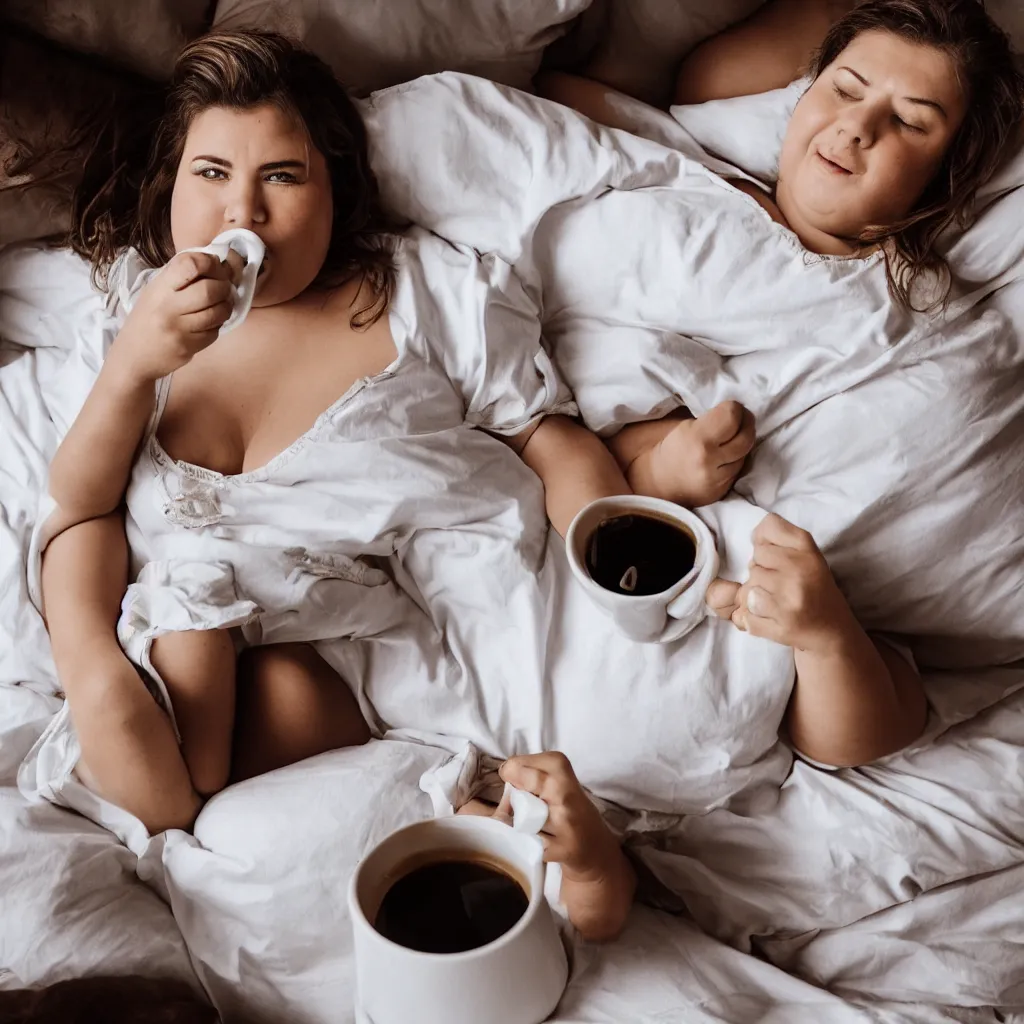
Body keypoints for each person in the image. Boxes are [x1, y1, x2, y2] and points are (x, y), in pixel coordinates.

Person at [37, 29, 632, 914]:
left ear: (336, 187)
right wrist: (133, 365)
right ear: (169, 186)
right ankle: (103, 684)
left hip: (337, 635)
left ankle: (166, 770)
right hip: (152, 606)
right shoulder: (138, 306)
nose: (244, 211)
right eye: (210, 174)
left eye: (282, 175)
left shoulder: (426, 294)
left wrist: (609, 555)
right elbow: (77, 499)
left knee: (268, 685)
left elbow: (547, 437)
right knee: (78, 542)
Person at [531, 0, 1024, 768]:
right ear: (799, 100)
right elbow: (576, 428)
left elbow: (866, 736)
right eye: (845, 88)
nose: (859, 126)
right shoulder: (681, 193)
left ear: (942, 184)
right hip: (684, 561)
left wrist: (828, 633)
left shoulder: (947, 314)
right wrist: (670, 464)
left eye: (911, 123)